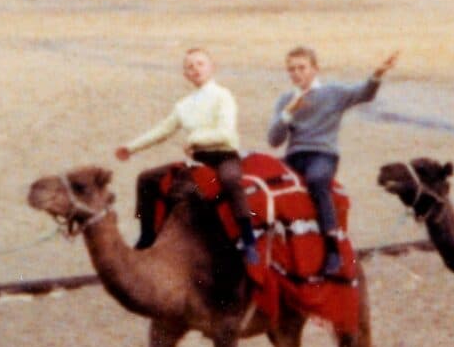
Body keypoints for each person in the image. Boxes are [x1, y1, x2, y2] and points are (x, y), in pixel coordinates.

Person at [266, 45, 397, 277]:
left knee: (317, 181)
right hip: (294, 155)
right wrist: (287, 113)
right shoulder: (285, 99)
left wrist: (377, 74)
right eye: (291, 69)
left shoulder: (332, 93)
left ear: (315, 69)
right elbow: (274, 140)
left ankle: (332, 248)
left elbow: (364, 93)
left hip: (322, 154)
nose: (296, 73)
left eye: (302, 68)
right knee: (266, 183)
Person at [119, 46, 257, 264]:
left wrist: (193, 139)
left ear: (212, 68)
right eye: (190, 67)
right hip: (197, 160)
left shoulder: (223, 96)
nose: (196, 69)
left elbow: (225, 132)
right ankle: (147, 235)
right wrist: (131, 147)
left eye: (200, 64)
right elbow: (163, 130)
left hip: (223, 155)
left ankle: (248, 239)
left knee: (230, 180)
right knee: (147, 179)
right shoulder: (184, 105)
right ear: (186, 75)